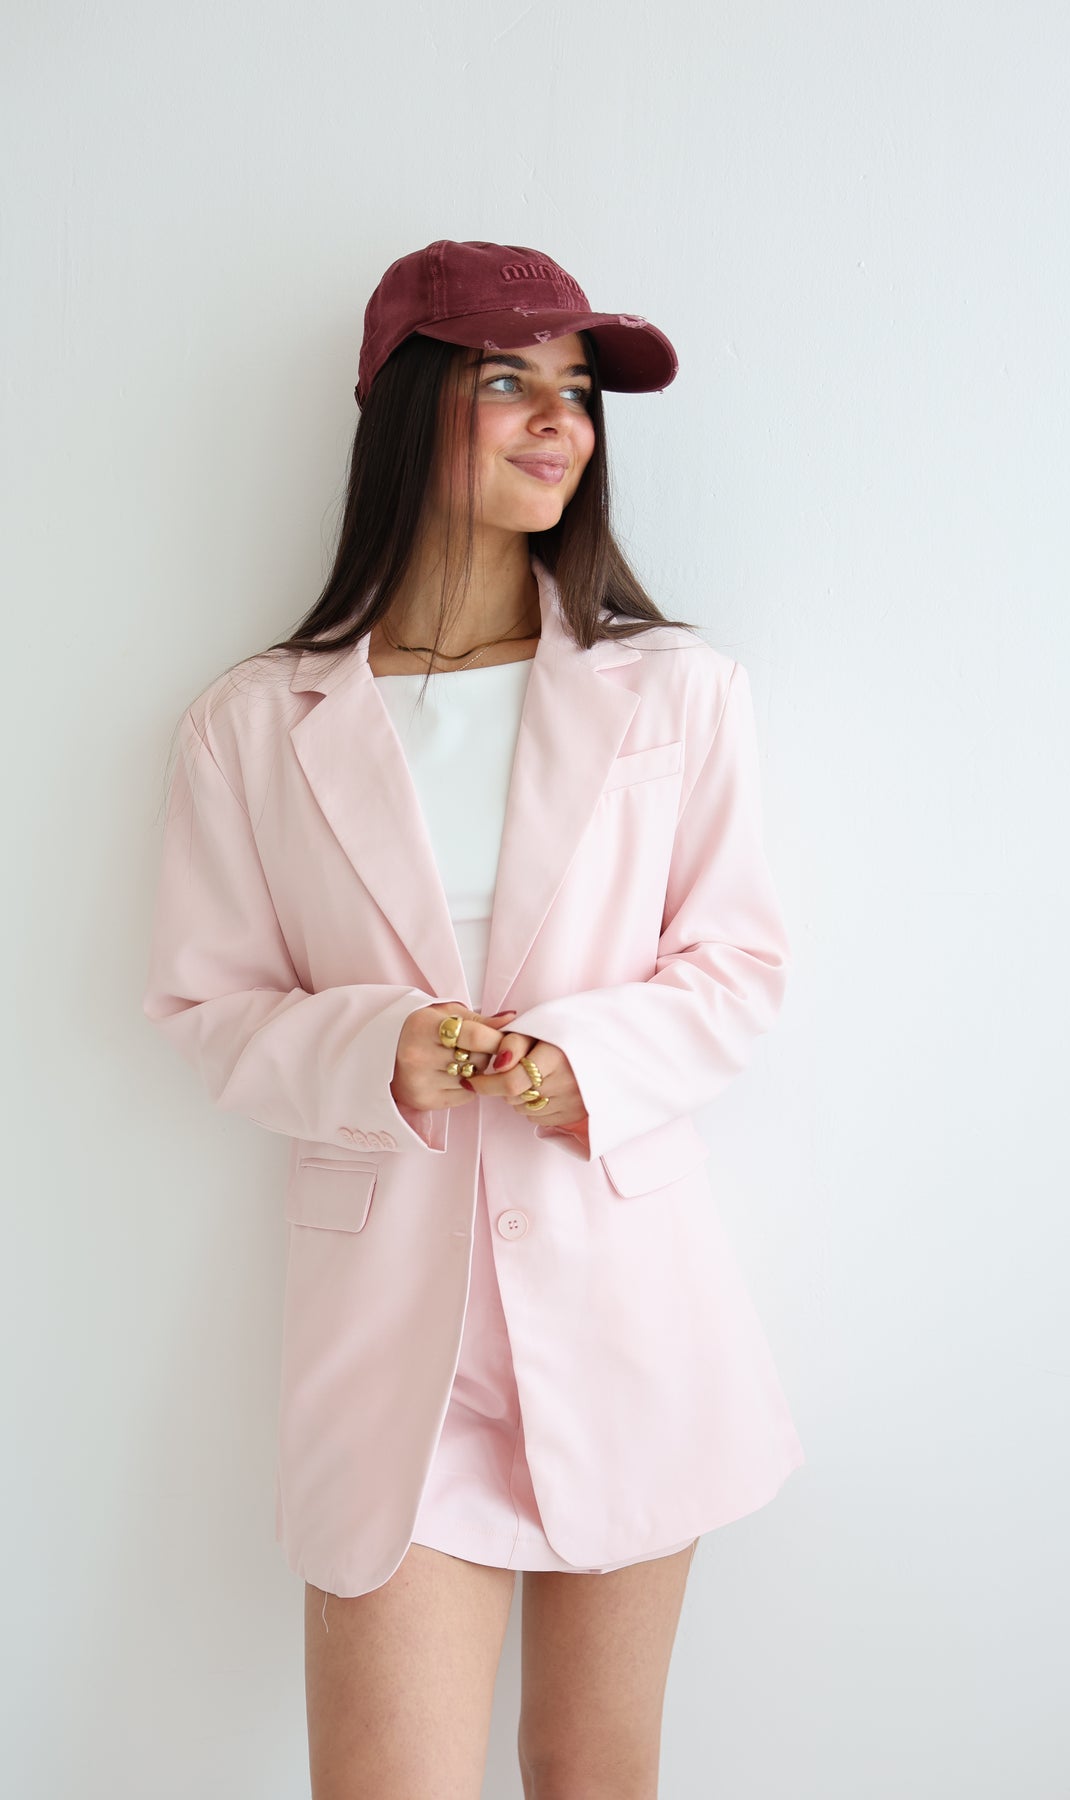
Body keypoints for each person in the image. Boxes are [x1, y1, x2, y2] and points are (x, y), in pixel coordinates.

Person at [142, 239, 804, 1799]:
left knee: (590, 1769)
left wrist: (584, 1062)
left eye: (577, 390)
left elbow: (739, 966)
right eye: (510, 380)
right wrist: (374, 1050)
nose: (559, 421)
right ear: (406, 404)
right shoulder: (255, 723)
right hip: (392, 1348)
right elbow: (205, 1003)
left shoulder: (677, 692)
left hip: (626, 1303)